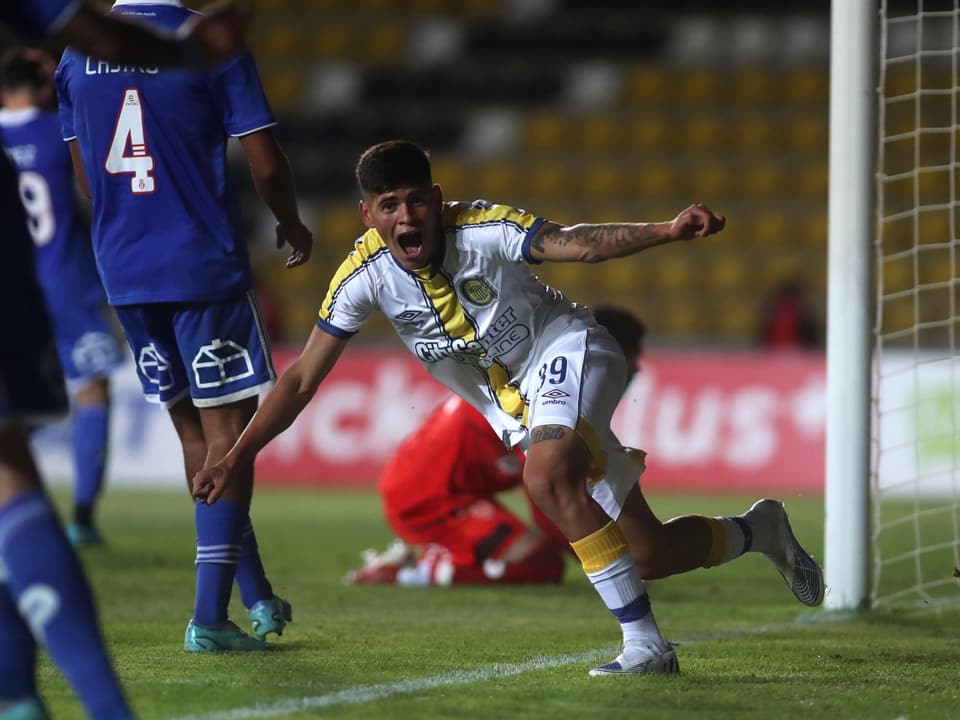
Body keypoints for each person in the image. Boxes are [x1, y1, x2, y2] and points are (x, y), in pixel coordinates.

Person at [192, 139, 825, 677]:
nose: (406, 216)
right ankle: (758, 530)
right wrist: (238, 455)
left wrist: (665, 230)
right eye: (389, 206)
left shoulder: (485, 228)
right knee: (650, 555)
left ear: (436, 200)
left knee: (545, 476)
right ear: (368, 215)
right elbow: (301, 379)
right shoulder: (364, 277)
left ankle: (646, 646)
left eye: (417, 200)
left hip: (572, 350)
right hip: (516, 407)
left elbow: (577, 244)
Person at [0, 1, 249, 718]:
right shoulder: (54, 107)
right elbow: (97, 34)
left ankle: (18, 693)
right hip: (119, 267)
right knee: (11, 466)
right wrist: (187, 48)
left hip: (121, 269)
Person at [55, 0, 314, 653]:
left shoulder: (74, 51)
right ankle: (208, 618)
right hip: (199, 263)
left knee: (196, 437)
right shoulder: (206, 40)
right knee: (230, 436)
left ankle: (252, 594)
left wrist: (124, 227)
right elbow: (263, 160)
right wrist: (288, 219)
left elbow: (84, 167)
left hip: (123, 268)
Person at [345, 307, 647, 587]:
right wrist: (609, 559)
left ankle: (430, 558)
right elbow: (551, 499)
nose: (636, 371)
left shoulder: (543, 375)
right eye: (631, 362)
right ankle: (411, 570)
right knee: (540, 564)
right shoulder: (545, 400)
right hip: (426, 497)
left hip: (445, 486)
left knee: (544, 558)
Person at [0, 47, 126, 548]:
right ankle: (81, 517)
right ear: (47, 87)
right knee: (91, 394)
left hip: (12, 287)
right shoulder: (59, 131)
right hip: (67, 282)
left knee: (13, 407)